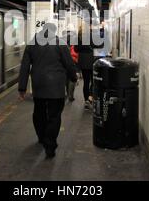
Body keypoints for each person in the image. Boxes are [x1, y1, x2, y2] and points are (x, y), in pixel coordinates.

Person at [18, 23, 78, 159]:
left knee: (38, 113)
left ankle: (41, 137)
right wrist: (73, 77)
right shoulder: (60, 43)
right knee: (54, 116)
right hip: (56, 86)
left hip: (38, 86)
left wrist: (22, 87)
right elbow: (69, 64)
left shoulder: (32, 44)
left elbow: (24, 67)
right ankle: (50, 146)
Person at [74, 29, 95, 110]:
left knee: (86, 81)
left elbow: (76, 49)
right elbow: (94, 46)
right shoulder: (91, 36)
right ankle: (90, 97)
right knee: (93, 81)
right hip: (90, 60)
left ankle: (86, 100)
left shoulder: (78, 38)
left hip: (82, 61)